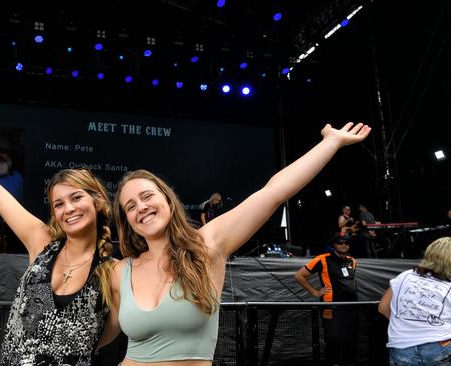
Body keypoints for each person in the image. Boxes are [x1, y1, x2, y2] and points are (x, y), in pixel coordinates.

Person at [104, 122, 371, 365]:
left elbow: (273, 192)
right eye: (130, 206)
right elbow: (100, 333)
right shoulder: (121, 271)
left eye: (147, 196)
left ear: (167, 200)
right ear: (127, 221)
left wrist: (330, 142)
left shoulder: (207, 244)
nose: (141, 207)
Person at [0, 129, 117, 365]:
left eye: (76, 198)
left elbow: (105, 335)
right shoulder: (42, 242)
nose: (68, 209)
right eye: (59, 204)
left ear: (97, 201)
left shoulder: (113, 271)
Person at [378, 237, 451, 365]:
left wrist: (406, 325)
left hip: (401, 348)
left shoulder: (406, 275)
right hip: (440, 346)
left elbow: (383, 307)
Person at [295, 232, 359, 365]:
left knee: (350, 339)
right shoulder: (322, 259)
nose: (343, 245)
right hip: (332, 306)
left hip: (351, 307)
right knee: (333, 339)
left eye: (346, 242)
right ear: (334, 244)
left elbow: (352, 281)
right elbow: (299, 275)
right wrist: (315, 292)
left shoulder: (352, 261)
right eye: (340, 242)